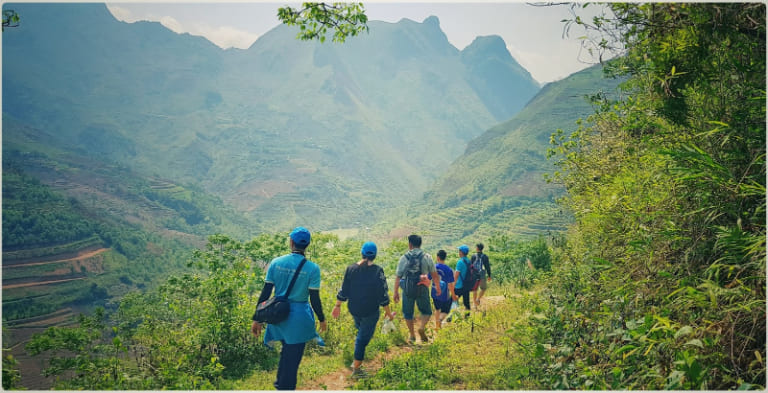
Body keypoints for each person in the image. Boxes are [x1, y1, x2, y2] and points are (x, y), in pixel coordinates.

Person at [251, 226, 327, 390]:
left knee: (287, 352)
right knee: (292, 359)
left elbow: (265, 293)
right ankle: (284, 386)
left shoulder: (276, 263)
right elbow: (314, 298)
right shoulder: (313, 269)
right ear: (307, 245)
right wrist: (322, 318)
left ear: (291, 242)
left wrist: (257, 318)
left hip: (278, 315)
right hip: (299, 320)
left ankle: (281, 384)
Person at [332, 241, 395, 378]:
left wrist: (337, 305)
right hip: (370, 311)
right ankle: (357, 369)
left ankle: (357, 356)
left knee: (362, 334)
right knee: (362, 338)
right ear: (375, 256)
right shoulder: (378, 271)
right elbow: (383, 296)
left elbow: (344, 291)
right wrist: (389, 313)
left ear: (362, 253)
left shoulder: (351, 269)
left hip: (354, 309)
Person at [393, 234, 441, 344]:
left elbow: (398, 276)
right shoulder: (426, 257)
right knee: (427, 311)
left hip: (407, 288)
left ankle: (412, 335)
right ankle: (422, 327)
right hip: (422, 287)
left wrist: (396, 292)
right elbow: (434, 275)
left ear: (410, 244)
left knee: (408, 313)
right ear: (420, 244)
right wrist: (437, 288)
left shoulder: (404, 258)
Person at [431, 250, 455, 329]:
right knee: (445, 310)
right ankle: (440, 321)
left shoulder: (433, 268)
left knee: (437, 309)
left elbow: (428, 279)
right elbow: (450, 285)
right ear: (445, 258)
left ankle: (437, 326)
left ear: (437, 257)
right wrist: (453, 295)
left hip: (434, 292)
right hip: (445, 294)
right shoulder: (448, 270)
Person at [453, 244, 473, 316]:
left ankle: (452, 317)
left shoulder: (460, 262)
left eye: (459, 250)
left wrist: (452, 286)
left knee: (453, 301)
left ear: (461, 252)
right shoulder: (468, 261)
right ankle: (467, 317)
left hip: (459, 285)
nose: (459, 252)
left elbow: (456, 276)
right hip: (467, 285)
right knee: (466, 302)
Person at [471, 243, 492, 307]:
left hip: (474, 275)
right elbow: (487, 266)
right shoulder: (485, 256)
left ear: (477, 248)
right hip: (482, 274)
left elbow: (470, 266)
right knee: (483, 288)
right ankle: (478, 299)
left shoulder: (473, 256)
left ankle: (474, 304)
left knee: (475, 290)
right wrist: (489, 275)